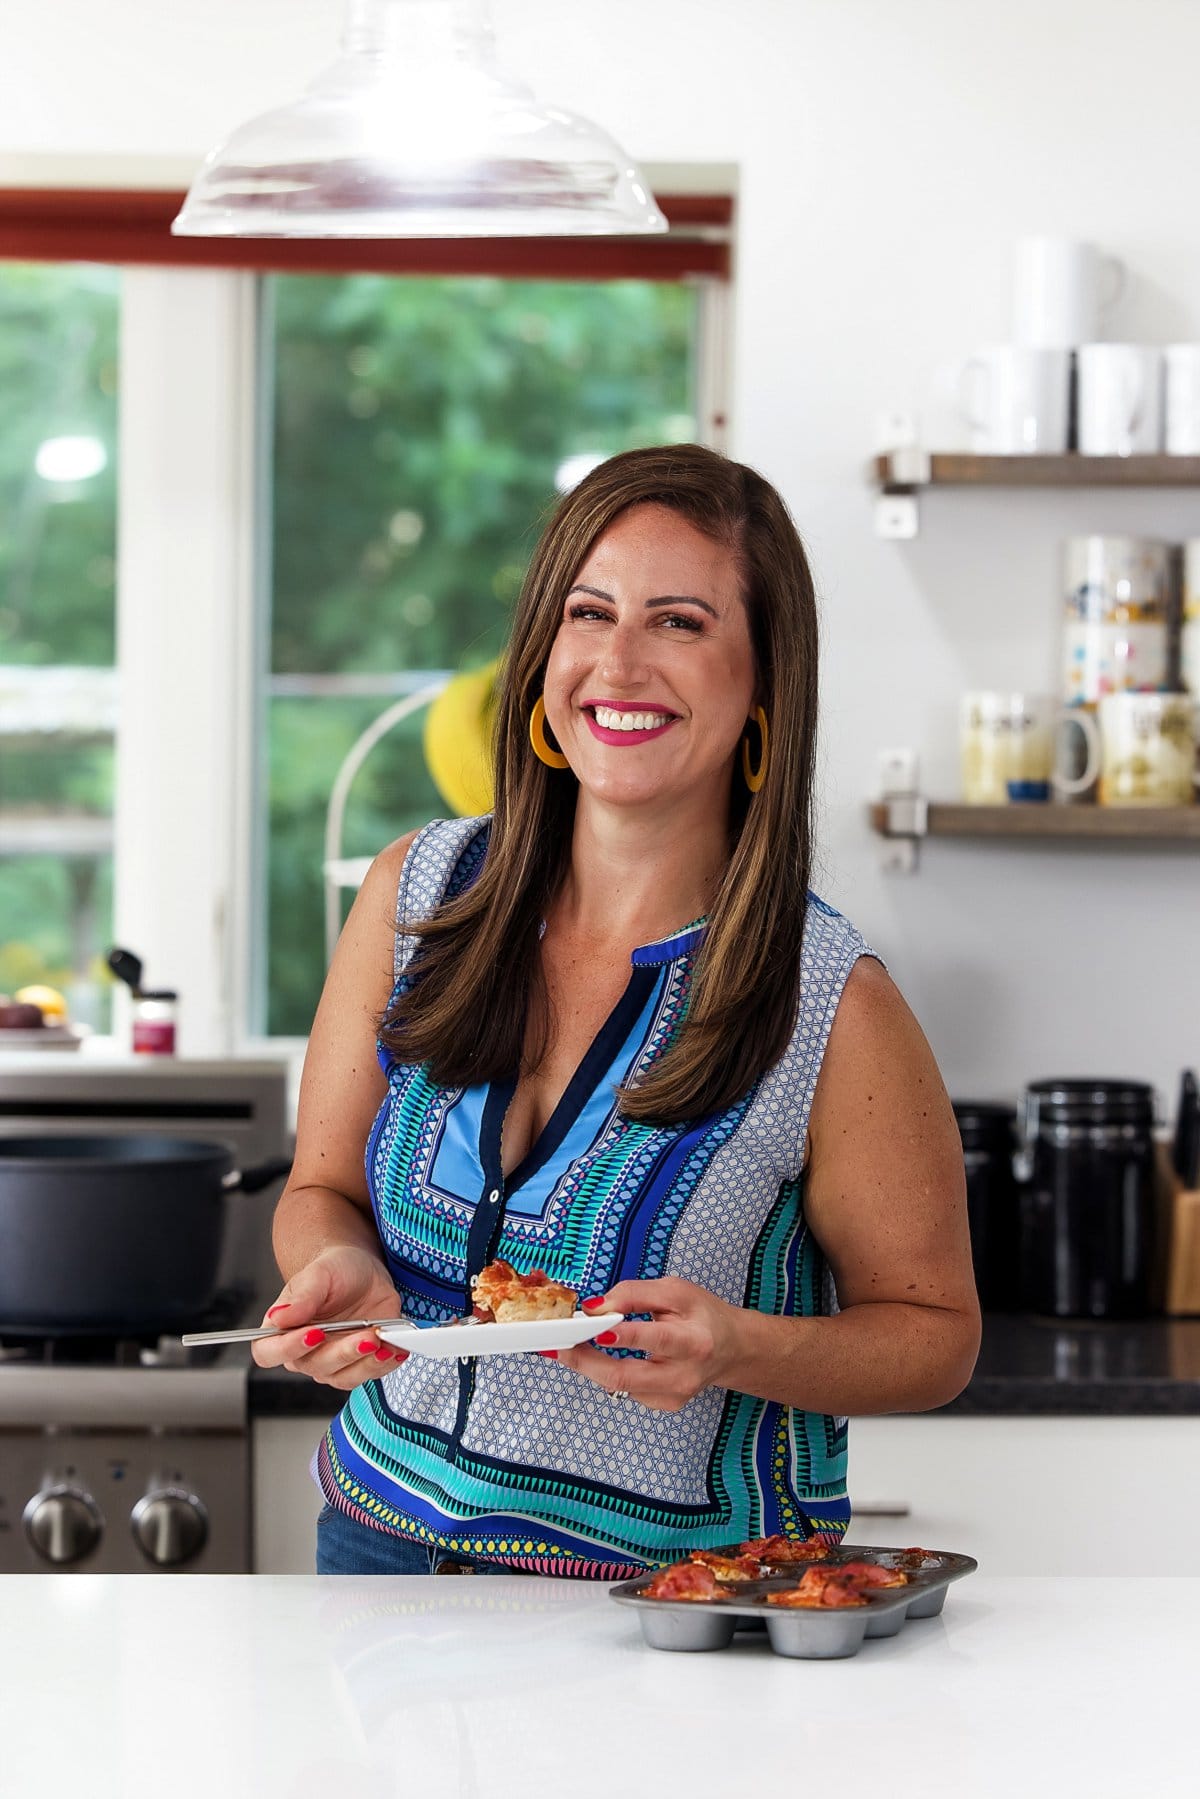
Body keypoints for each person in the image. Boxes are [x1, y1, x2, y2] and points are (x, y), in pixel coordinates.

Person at [253, 443, 981, 1577]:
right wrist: (334, 1267)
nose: (620, 663)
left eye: (680, 623)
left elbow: (934, 1337)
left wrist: (739, 1345)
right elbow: (321, 1188)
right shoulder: (417, 896)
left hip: (669, 1604)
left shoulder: (831, 1002)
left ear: (762, 683)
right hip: (379, 1556)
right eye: (589, 612)